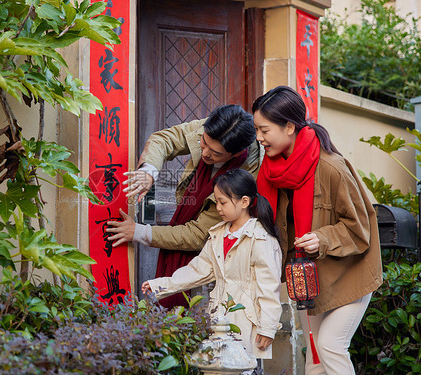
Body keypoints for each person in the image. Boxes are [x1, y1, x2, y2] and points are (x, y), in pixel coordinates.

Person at [252, 85, 383, 375]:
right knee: (314, 360)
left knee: (330, 346)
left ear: (289, 127)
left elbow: (360, 228)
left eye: (264, 130)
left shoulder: (331, 167)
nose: (259, 138)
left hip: (351, 273)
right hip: (310, 280)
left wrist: (322, 238)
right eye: (257, 130)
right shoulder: (272, 170)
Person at [106, 104, 261, 308]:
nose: (204, 153)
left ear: (236, 154)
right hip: (191, 242)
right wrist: (148, 172)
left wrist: (139, 232)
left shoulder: (246, 176)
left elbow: (197, 235)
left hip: (216, 258)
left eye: (214, 153)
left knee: (200, 316)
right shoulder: (210, 129)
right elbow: (164, 139)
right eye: (202, 142)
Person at [141, 168, 282, 363]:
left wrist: (268, 328)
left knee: (242, 366)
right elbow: (197, 270)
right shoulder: (218, 235)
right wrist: (161, 285)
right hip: (218, 319)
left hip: (247, 320)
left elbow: (268, 287)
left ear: (244, 202)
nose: (218, 208)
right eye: (216, 201)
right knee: (216, 366)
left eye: (223, 202)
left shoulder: (261, 238)